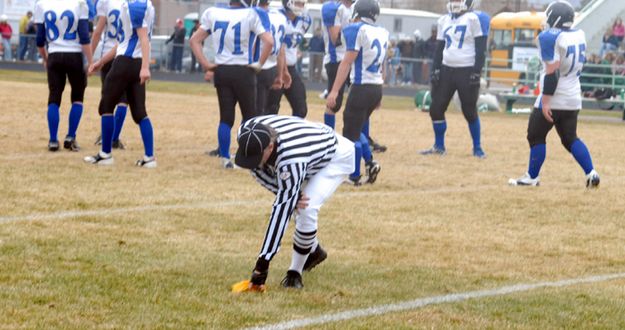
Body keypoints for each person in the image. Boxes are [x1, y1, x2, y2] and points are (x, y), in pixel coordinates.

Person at [231, 115, 355, 291]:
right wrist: (289, 194)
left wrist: (262, 264)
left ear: (271, 146)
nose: (252, 163)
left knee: (306, 207)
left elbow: (281, 211)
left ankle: (294, 274)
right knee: (294, 200)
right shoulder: (248, 131)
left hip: (335, 156)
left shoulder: (291, 158)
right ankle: (315, 251)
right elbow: (258, 171)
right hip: (311, 146)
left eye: (257, 156)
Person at [509, 0, 600, 188]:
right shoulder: (579, 34)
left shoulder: (550, 37)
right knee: (570, 138)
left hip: (555, 95)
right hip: (573, 97)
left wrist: (545, 102)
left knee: (535, 135)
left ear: (555, 18)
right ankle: (592, 173)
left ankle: (532, 177)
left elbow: (552, 73)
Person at [190, 0, 273, 169]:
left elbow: (194, 40)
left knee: (226, 118)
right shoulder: (252, 14)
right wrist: (260, 63)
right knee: (250, 117)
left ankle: (225, 158)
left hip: (222, 71)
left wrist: (206, 64)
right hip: (244, 71)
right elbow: (269, 42)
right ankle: (249, 156)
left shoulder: (213, 12)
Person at [84, 0, 157, 168]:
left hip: (126, 63)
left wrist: (146, 67)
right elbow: (123, 42)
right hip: (133, 62)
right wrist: (100, 62)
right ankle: (149, 157)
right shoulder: (142, 5)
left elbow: (143, 38)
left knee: (106, 106)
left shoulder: (135, 5)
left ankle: (106, 154)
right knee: (139, 112)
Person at [420, 0, 490, 158]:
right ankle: (439, 146)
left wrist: (476, 71)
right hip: (446, 69)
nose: (454, 2)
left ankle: (477, 148)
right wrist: (435, 69)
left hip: (466, 70)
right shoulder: (443, 20)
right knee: (436, 109)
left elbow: (481, 49)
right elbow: (439, 48)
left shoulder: (474, 19)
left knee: (469, 110)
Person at [326, 0, 386, 186]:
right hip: (375, 86)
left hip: (362, 86)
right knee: (358, 128)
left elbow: (346, 62)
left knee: (350, 133)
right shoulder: (382, 32)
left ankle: (354, 175)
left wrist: (334, 91)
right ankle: (369, 162)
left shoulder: (356, 29)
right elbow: (384, 65)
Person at [34, 0, 93, 152]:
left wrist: (46, 58)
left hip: (54, 54)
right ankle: (70, 136)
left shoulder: (42, 4)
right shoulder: (80, 4)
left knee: (54, 97)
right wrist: (91, 61)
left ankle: (53, 140)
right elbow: (85, 37)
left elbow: (40, 40)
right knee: (78, 97)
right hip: (74, 56)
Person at [91, 0, 128, 150]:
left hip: (107, 54)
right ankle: (114, 137)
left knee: (108, 97)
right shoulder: (132, 4)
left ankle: (107, 135)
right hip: (125, 55)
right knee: (123, 99)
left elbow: (98, 32)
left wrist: (90, 58)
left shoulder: (106, 2)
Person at [266, 0, 310, 118]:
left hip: (291, 68)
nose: (301, 6)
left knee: (301, 108)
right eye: (298, 3)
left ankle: (292, 134)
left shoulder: (305, 20)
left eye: (302, 3)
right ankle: (267, 135)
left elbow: (294, 43)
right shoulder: (277, 17)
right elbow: (280, 48)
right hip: (275, 67)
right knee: (271, 109)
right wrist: (283, 71)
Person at [253, 0, 289, 116]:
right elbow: (281, 50)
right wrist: (280, 74)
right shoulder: (281, 17)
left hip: (257, 67)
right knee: (268, 109)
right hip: (272, 68)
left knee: (253, 112)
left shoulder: (254, 15)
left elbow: (254, 44)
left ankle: (255, 133)